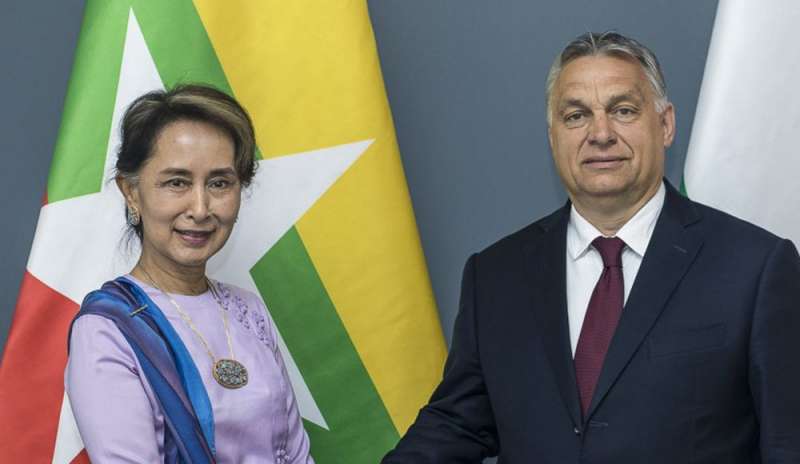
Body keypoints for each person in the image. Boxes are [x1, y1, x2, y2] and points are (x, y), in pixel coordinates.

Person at [383, 31, 800, 463]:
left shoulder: (755, 268)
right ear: (553, 136)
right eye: (576, 116)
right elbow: (458, 425)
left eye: (623, 110)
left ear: (666, 124)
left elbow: (789, 443)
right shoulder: (495, 276)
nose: (600, 134)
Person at [66, 84, 314, 463]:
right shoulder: (108, 328)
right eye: (177, 182)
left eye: (219, 183)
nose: (200, 208)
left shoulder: (249, 312)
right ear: (131, 193)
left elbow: (296, 456)